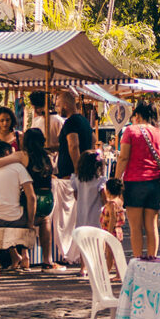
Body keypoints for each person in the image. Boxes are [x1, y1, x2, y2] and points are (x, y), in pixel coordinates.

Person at [0, 128, 59, 269]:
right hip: (47, 199)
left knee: (13, 218)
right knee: (45, 220)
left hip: (31, 198)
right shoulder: (47, 157)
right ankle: (47, 260)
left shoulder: (23, 155)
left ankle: (23, 256)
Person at [115, 101, 160, 258]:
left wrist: (116, 180)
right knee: (152, 226)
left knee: (135, 228)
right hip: (155, 185)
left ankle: (137, 262)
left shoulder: (130, 131)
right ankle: (152, 261)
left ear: (138, 115)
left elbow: (123, 158)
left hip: (134, 184)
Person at [0, 140, 36, 272]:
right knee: (36, 218)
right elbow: (31, 197)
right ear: (7, 153)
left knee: (1, 221)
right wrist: (30, 223)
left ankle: (15, 256)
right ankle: (26, 255)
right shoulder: (18, 168)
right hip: (14, 219)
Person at [56, 89, 94, 264]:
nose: (56, 109)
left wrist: (78, 170)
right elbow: (93, 140)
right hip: (82, 173)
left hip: (71, 176)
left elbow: (73, 145)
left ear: (65, 105)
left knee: (70, 217)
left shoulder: (70, 122)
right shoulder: (85, 121)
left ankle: (69, 252)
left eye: (57, 105)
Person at [74, 149, 107, 273]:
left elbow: (76, 196)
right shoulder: (100, 180)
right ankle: (98, 266)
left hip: (82, 213)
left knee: (83, 242)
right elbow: (104, 198)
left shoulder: (77, 179)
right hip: (97, 214)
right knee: (99, 241)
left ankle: (83, 267)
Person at [100, 178, 126, 279]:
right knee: (116, 253)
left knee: (109, 254)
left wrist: (109, 233)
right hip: (118, 231)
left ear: (108, 191)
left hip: (111, 231)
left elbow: (112, 218)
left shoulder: (111, 204)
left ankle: (105, 274)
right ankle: (119, 274)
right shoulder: (120, 201)